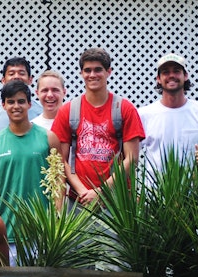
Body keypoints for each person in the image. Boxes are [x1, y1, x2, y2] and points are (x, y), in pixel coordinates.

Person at [0, 81, 59, 264]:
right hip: (6, 229)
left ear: (30, 105)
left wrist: (58, 218)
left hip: (41, 231)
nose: (16, 106)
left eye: (21, 101)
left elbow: (58, 183)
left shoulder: (48, 138)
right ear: (4, 105)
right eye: (11, 102)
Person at [53, 48, 145, 205]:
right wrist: (82, 192)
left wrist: (101, 191)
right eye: (87, 70)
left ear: (108, 72)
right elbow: (60, 160)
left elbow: (132, 158)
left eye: (98, 70)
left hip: (117, 201)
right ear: (81, 73)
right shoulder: (68, 110)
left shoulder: (124, 108)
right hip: (79, 201)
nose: (92, 75)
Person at [138, 53, 198, 182]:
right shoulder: (144, 114)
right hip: (154, 195)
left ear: (185, 76)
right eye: (166, 72)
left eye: (176, 71)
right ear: (158, 79)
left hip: (194, 196)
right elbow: (130, 155)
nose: (171, 75)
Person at [0, 57, 44, 131]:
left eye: (21, 73)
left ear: (30, 80)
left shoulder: (41, 110)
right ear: (3, 80)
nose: (16, 77)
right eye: (11, 74)